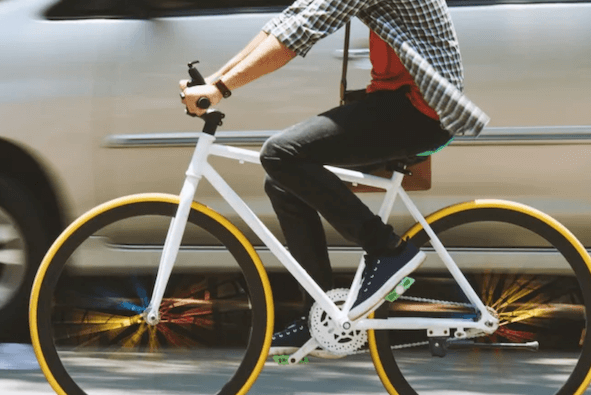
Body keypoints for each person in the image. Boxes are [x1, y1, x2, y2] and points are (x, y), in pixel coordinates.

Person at [180, 0, 489, 357]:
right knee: (284, 181)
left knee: (280, 154)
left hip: (418, 110)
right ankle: (321, 316)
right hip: (397, 104)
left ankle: (387, 250)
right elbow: (287, 21)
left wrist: (221, 88)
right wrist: (215, 81)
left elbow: (298, 34)